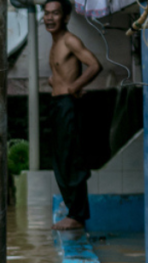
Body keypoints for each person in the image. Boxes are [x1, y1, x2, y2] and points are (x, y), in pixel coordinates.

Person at [45, 0, 102, 231]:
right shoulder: (55, 43)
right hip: (59, 105)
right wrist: (56, 82)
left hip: (69, 105)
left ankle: (77, 216)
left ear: (66, 17)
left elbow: (94, 65)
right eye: (47, 14)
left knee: (72, 160)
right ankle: (73, 212)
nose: (50, 18)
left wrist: (74, 87)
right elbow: (61, 72)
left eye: (55, 13)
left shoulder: (69, 40)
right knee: (60, 160)